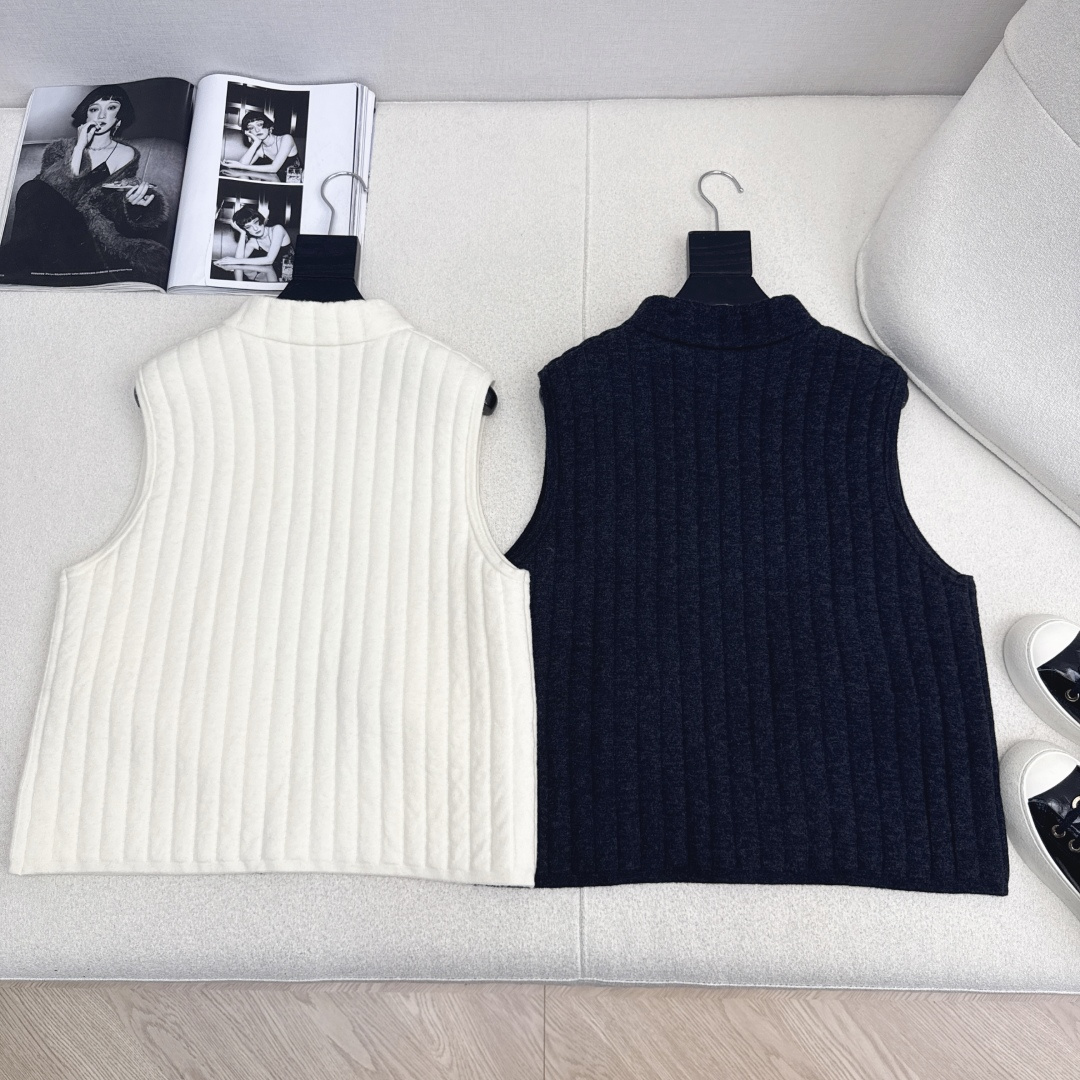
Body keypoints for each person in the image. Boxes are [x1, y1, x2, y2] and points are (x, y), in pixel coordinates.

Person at [0, 84, 171, 284]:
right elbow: (46, 193)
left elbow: (112, 205)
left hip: (88, 239)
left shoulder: (126, 154)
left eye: (111, 108)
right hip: (52, 235)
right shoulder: (60, 150)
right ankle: (23, 267)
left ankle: (19, 267)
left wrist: (133, 205)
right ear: (86, 116)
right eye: (94, 109)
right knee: (31, 188)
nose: (101, 115)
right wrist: (79, 148)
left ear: (119, 118)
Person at [213, 204, 291, 282]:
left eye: (256, 222)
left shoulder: (277, 229)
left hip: (290, 275)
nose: (255, 228)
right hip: (273, 275)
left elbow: (269, 260)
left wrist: (234, 261)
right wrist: (242, 233)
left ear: (260, 219)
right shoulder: (254, 242)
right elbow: (239, 260)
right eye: (248, 227)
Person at [221, 111, 300, 183]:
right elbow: (242, 165)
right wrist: (256, 143)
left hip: (296, 183)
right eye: (251, 128)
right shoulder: (260, 148)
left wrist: (242, 166)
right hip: (276, 183)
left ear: (268, 126)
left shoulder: (286, 139)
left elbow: (274, 168)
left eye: (260, 125)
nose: (257, 130)